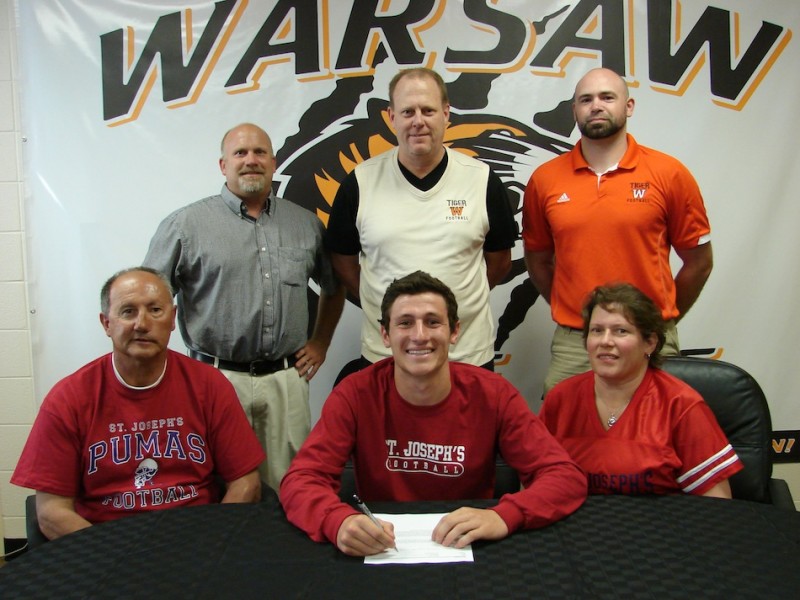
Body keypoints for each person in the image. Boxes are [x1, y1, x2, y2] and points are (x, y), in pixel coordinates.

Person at [280, 271, 586, 556]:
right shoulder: (354, 394)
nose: (419, 335)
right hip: (383, 549)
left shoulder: (494, 394)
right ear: (385, 335)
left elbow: (563, 477)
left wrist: (504, 516)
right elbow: (301, 480)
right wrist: (337, 521)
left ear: (454, 332)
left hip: (469, 547)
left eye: (432, 322)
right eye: (405, 323)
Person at [143, 123, 345, 491]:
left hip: (287, 380)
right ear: (223, 165)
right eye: (240, 153)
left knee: (294, 488)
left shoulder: (305, 224)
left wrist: (321, 344)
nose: (250, 160)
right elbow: (150, 299)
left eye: (259, 152)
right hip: (217, 380)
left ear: (273, 161)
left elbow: (335, 286)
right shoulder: (185, 226)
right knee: (218, 487)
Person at [11, 267, 265, 540]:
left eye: (155, 310)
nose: (142, 324)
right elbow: (51, 512)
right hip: (106, 545)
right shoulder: (68, 399)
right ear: (106, 323)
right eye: (128, 311)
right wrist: (111, 560)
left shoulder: (210, 386)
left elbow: (245, 483)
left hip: (198, 539)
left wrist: (212, 545)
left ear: (172, 319)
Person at [522, 68, 713, 393]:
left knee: (657, 436)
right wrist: (571, 308)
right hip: (576, 341)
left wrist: (658, 321)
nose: (596, 106)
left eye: (607, 97)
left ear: (629, 106)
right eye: (586, 99)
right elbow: (538, 260)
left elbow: (699, 262)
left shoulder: (670, 174)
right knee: (564, 438)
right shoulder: (545, 180)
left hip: (649, 338)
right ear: (575, 110)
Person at [325, 67, 517, 373]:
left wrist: (460, 301)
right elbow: (342, 262)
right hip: (386, 357)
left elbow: (500, 261)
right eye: (407, 111)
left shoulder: (481, 180)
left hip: (466, 355)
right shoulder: (359, 183)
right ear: (391, 117)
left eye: (428, 110)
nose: (418, 121)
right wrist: (381, 302)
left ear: (445, 114)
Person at [539, 283, 742, 498]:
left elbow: (717, 505)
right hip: (577, 527)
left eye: (621, 331)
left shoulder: (682, 405)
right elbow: (535, 485)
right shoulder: (560, 399)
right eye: (597, 330)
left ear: (650, 343)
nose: (606, 341)